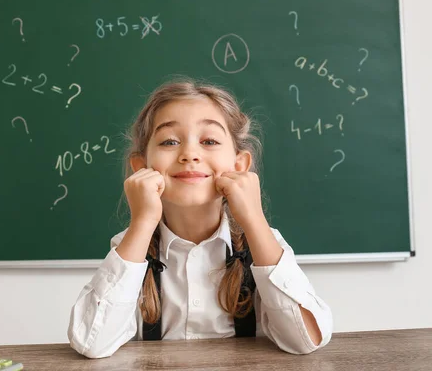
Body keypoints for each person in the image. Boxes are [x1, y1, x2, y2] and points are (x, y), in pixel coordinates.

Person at [68, 78, 333, 358]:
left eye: (209, 141)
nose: (190, 154)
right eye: (170, 141)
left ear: (239, 165)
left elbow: (306, 340)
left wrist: (254, 219)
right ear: (141, 168)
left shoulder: (263, 244)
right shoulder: (132, 248)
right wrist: (143, 222)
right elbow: (90, 343)